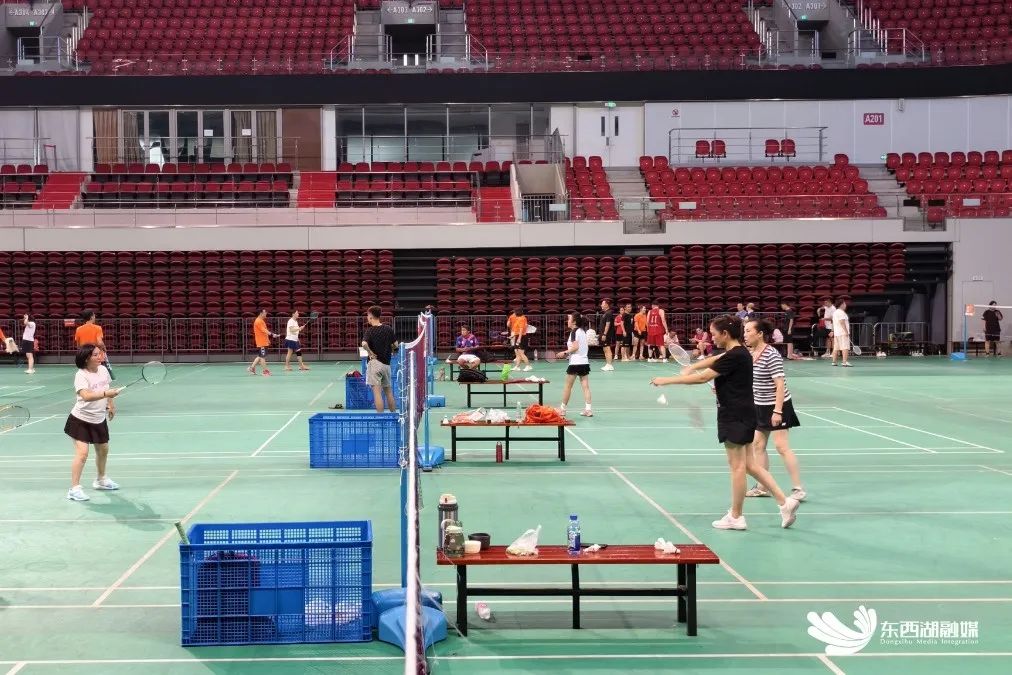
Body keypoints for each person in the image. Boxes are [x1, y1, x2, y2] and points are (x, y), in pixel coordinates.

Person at [650, 315, 800, 530]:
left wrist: (666, 380)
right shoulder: (740, 352)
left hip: (734, 416)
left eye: (713, 334)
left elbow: (703, 378)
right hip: (746, 413)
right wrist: (693, 368)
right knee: (750, 465)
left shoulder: (735, 355)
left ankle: (736, 517)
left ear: (725, 334)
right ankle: (785, 503)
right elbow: (715, 362)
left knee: (737, 467)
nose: (711, 338)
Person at [743, 318, 806, 501]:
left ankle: (798, 489)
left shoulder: (771, 354)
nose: (745, 335)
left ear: (760, 334)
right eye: (744, 331)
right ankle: (763, 487)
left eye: (748, 331)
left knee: (781, 446)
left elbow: (779, 384)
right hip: (759, 405)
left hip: (778, 405)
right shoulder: (750, 353)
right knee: (758, 445)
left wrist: (777, 411)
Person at [65, 343, 121, 502]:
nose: (100, 357)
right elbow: (86, 396)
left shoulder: (103, 370)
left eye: (100, 354)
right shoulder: (81, 375)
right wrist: (106, 393)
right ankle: (74, 489)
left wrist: (111, 404)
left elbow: (107, 386)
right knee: (82, 453)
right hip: (80, 420)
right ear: (86, 358)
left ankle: (101, 480)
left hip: (98, 418)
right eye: (95, 355)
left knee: (103, 450)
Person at [362, 305, 399, 413]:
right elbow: (396, 345)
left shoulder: (370, 331)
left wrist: (370, 353)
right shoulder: (388, 329)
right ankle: (394, 416)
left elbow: (364, 344)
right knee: (388, 392)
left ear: (371, 317)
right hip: (386, 365)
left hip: (375, 364)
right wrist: (392, 349)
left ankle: (381, 418)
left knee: (377, 393)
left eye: (367, 316)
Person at [557, 311, 592, 417]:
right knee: (586, 387)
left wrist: (565, 353)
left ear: (574, 322)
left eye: (569, 319)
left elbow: (575, 347)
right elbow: (582, 347)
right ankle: (588, 410)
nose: (567, 321)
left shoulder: (574, 332)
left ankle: (562, 409)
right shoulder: (582, 331)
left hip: (575, 363)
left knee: (568, 386)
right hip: (584, 362)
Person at [75, 310, 114, 379]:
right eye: (94, 315)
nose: (95, 317)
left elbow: (78, 345)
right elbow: (100, 342)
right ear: (91, 317)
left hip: (85, 356)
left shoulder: (78, 329)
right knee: (100, 373)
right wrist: (104, 348)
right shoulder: (97, 328)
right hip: (97, 355)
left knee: (87, 373)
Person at [248, 309, 279, 376]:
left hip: (263, 341)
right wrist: (272, 334)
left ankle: (252, 368)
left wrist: (267, 339)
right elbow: (264, 330)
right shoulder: (258, 321)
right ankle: (265, 371)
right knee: (262, 357)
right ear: (261, 313)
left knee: (260, 356)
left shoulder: (261, 321)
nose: (266, 313)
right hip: (261, 342)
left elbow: (264, 331)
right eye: (265, 312)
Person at [510, 307, 532, 372]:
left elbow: (521, 329)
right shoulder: (519, 318)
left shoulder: (522, 319)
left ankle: (528, 366)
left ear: (517, 312)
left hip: (521, 337)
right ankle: (517, 367)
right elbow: (518, 330)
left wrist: (519, 338)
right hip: (518, 336)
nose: (514, 313)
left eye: (514, 312)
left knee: (521, 353)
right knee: (518, 353)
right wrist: (513, 335)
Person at [831, 297, 852, 367]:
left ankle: (834, 362)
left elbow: (833, 323)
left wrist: (832, 331)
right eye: (844, 303)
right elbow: (842, 322)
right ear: (842, 304)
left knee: (836, 348)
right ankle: (844, 362)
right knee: (845, 347)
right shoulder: (841, 313)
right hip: (842, 333)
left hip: (837, 333)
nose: (845, 305)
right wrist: (846, 331)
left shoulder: (835, 312)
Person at [598, 299, 615, 370]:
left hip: (606, 335)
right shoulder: (606, 313)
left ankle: (609, 365)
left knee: (607, 348)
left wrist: (604, 334)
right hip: (603, 334)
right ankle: (608, 364)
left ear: (607, 305)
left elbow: (608, 324)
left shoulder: (609, 313)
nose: (601, 305)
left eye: (602, 303)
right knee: (605, 349)